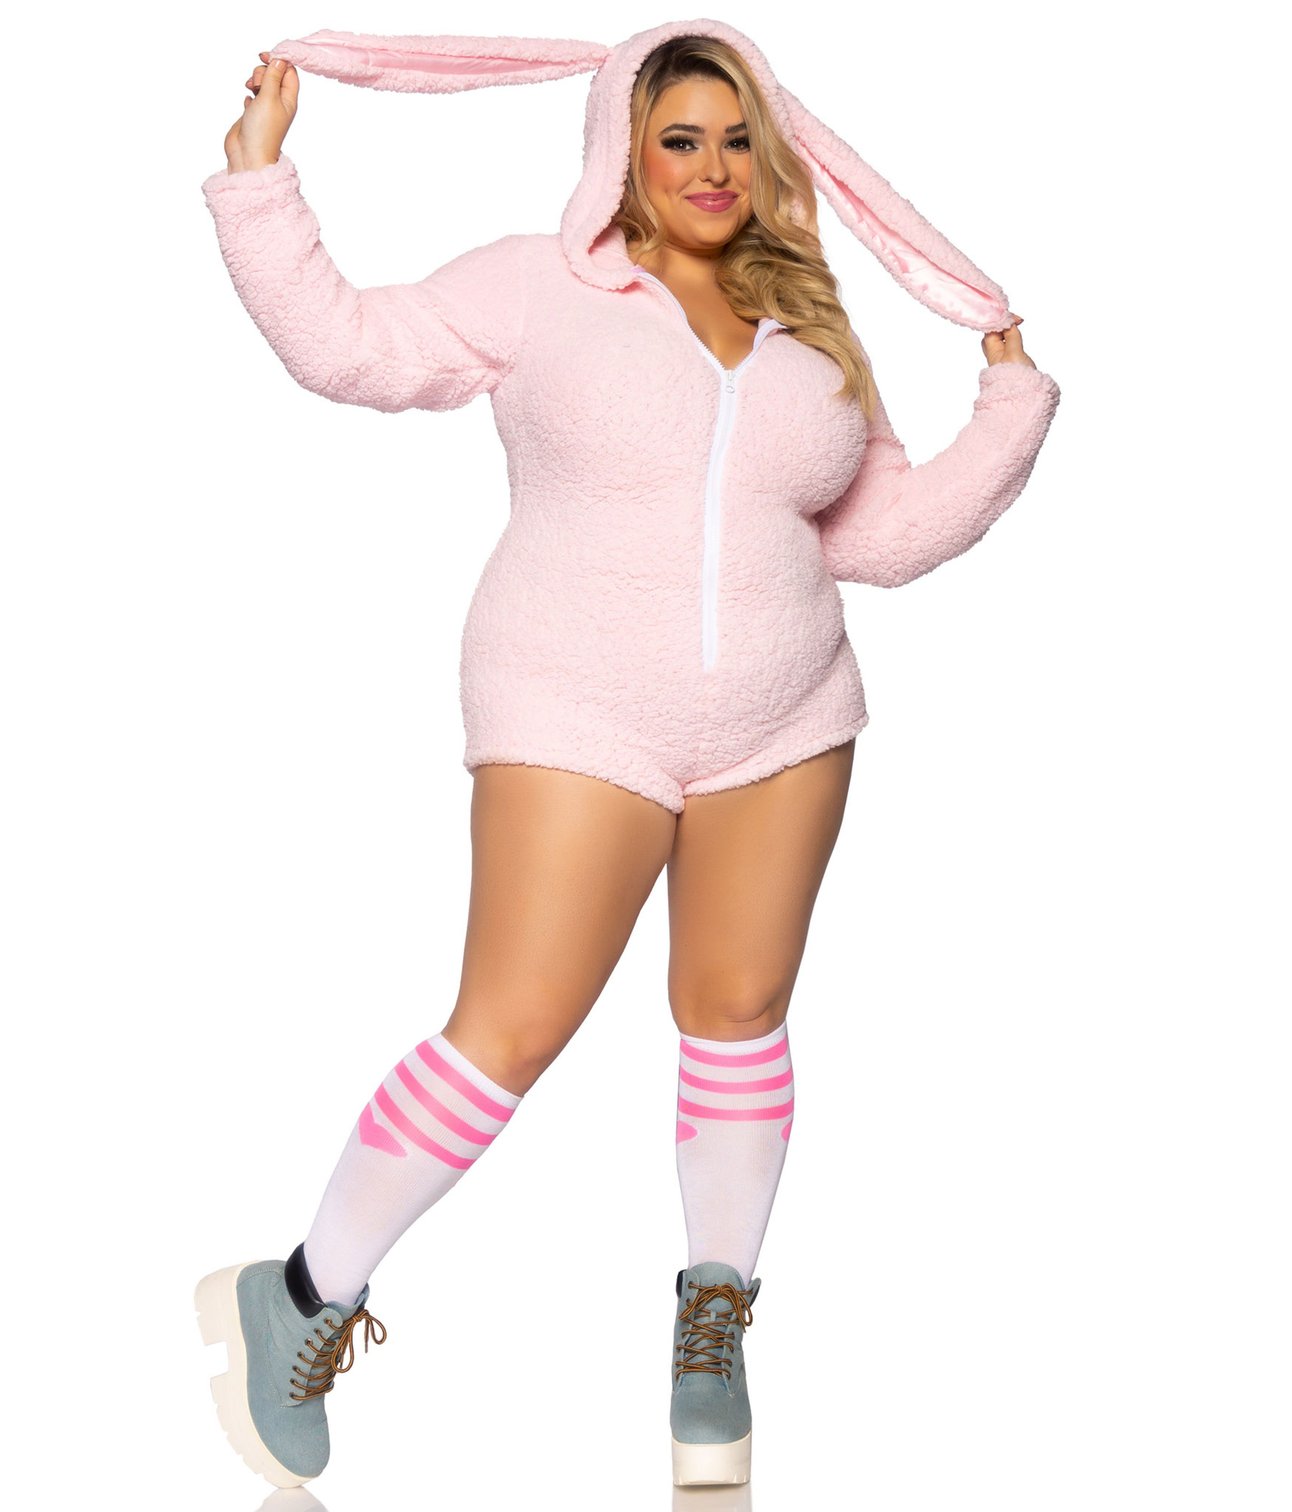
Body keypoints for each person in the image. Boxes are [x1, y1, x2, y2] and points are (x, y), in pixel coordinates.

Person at [194, 18, 1061, 1492]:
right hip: (572, 703)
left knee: (739, 1012)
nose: (711, 168)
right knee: (512, 1024)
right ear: (622, 152)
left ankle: (712, 1327)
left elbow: (880, 534)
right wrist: (261, 184)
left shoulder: (810, 326)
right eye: (679, 140)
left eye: (735, 139)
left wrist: (1012, 407)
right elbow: (348, 346)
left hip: (788, 717)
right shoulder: (538, 286)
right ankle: (300, 1295)